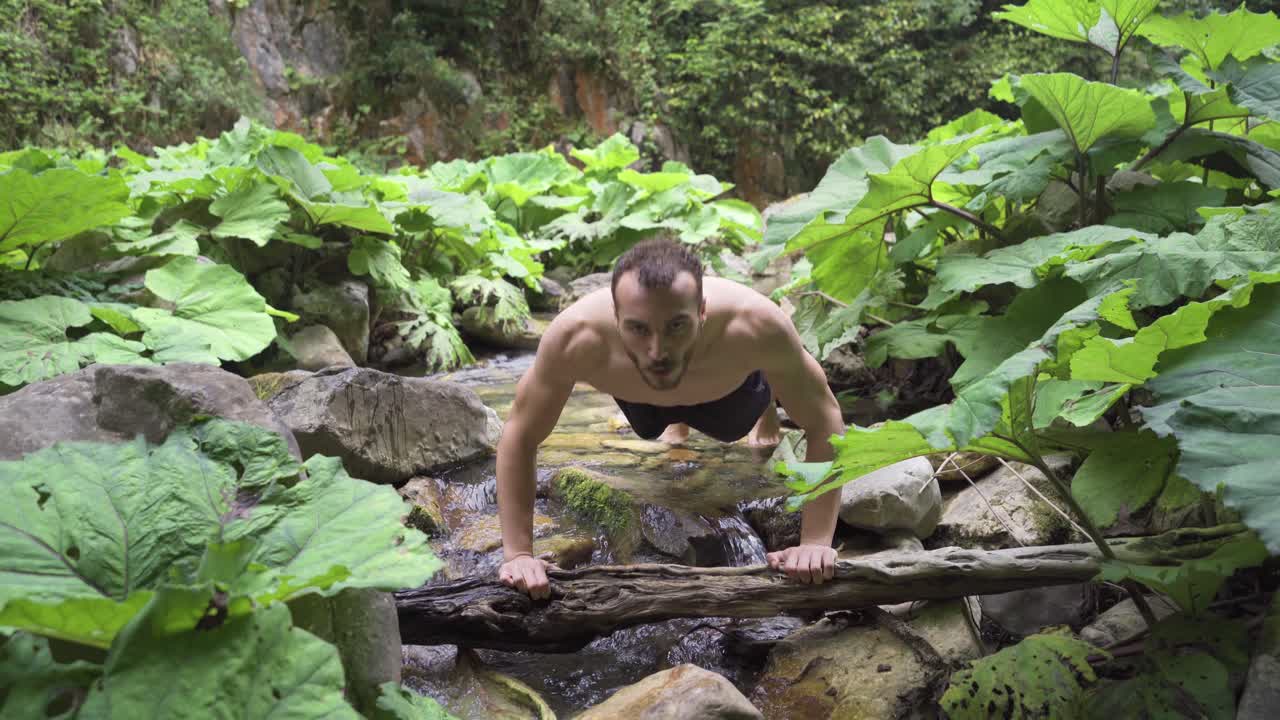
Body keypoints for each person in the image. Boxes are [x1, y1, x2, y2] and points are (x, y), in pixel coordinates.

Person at [496, 238, 845, 600]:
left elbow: (824, 419)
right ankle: (676, 420)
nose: (657, 350)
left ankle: (768, 402)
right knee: (652, 430)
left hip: (728, 389)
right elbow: (520, 434)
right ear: (616, 319)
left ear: (703, 312)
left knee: (735, 426)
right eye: (639, 329)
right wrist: (519, 554)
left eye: (677, 326)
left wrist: (816, 542)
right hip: (641, 396)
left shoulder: (755, 326)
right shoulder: (575, 337)